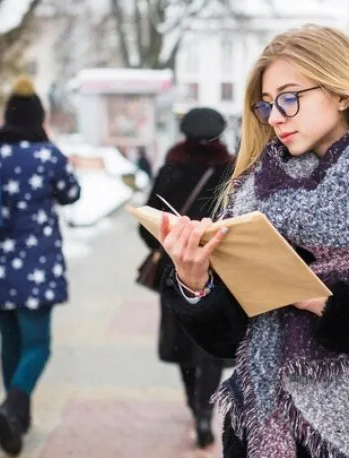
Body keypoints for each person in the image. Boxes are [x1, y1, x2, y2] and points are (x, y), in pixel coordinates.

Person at [157, 24, 349, 458]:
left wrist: (324, 302)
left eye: (290, 97)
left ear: (341, 92)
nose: (276, 116)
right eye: (266, 104)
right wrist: (196, 283)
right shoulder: (254, 195)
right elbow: (228, 341)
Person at [0, 76, 81, 456]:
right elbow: (72, 192)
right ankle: (13, 407)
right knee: (39, 346)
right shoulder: (49, 157)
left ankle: (17, 421)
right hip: (36, 266)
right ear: (39, 118)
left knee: (12, 341)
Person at [138, 107, 234, 449]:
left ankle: (194, 405)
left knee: (183, 343)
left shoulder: (171, 168)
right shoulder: (230, 168)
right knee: (209, 345)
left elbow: (147, 227)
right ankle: (206, 413)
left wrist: (170, 243)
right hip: (218, 270)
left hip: (174, 269)